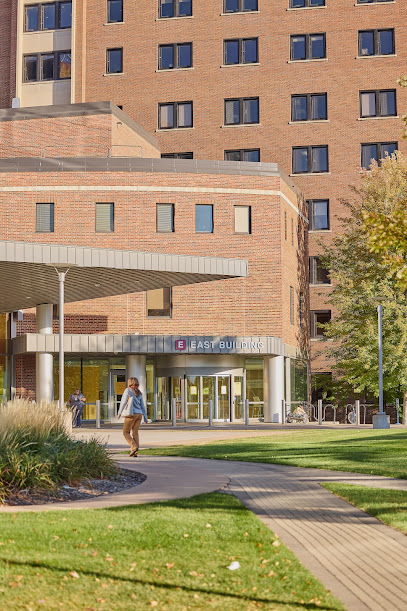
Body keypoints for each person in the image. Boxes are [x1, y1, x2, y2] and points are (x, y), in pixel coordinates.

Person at [118, 377, 148, 457]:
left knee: (125, 432)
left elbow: (123, 402)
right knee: (135, 433)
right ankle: (135, 452)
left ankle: (134, 447)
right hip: (139, 415)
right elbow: (142, 406)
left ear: (129, 383)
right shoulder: (139, 392)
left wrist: (119, 412)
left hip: (131, 414)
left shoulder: (127, 390)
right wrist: (145, 417)